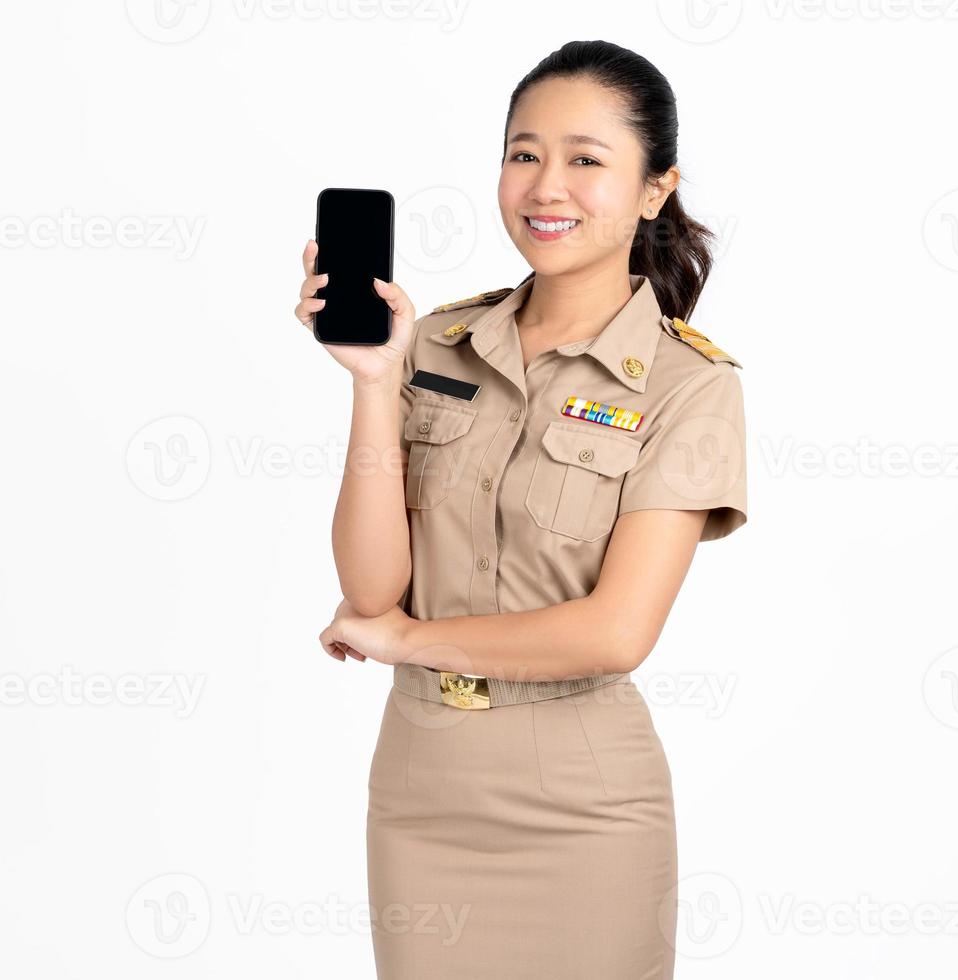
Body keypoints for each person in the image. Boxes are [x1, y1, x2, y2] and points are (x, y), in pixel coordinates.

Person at [295, 39, 747, 980]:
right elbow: (373, 589)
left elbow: (615, 633)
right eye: (523, 154)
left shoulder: (686, 385)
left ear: (655, 189)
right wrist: (377, 382)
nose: (547, 186)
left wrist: (409, 643)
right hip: (421, 791)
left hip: (584, 806)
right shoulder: (437, 344)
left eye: (587, 160)